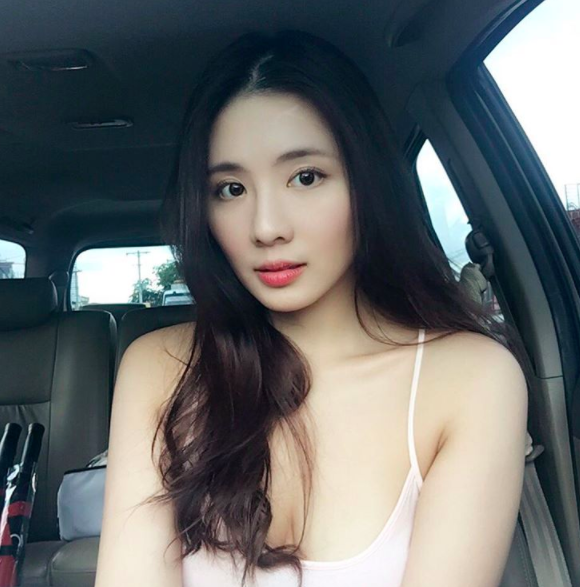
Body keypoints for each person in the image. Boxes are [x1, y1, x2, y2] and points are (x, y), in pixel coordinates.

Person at [94, 30, 530, 587]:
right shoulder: (159, 368)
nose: (266, 227)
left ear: (367, 184)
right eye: (230, 189)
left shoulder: (470, 379)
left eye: (306, 177)